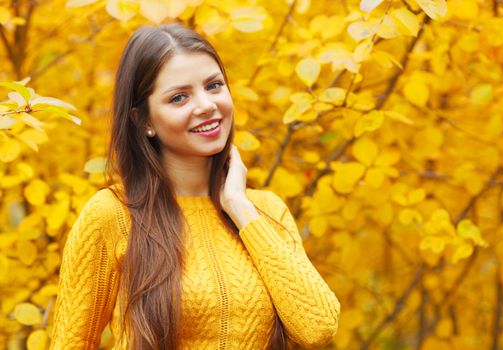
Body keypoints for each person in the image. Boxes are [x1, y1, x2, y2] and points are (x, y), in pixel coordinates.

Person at [50, 23, 340, 350]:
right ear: (143, 121)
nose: (205, 105)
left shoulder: (265, 212)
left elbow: (318, 327)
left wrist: (240, 208)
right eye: (179, 97)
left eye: (214, 85)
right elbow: (70, 342)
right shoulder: (112, 216)